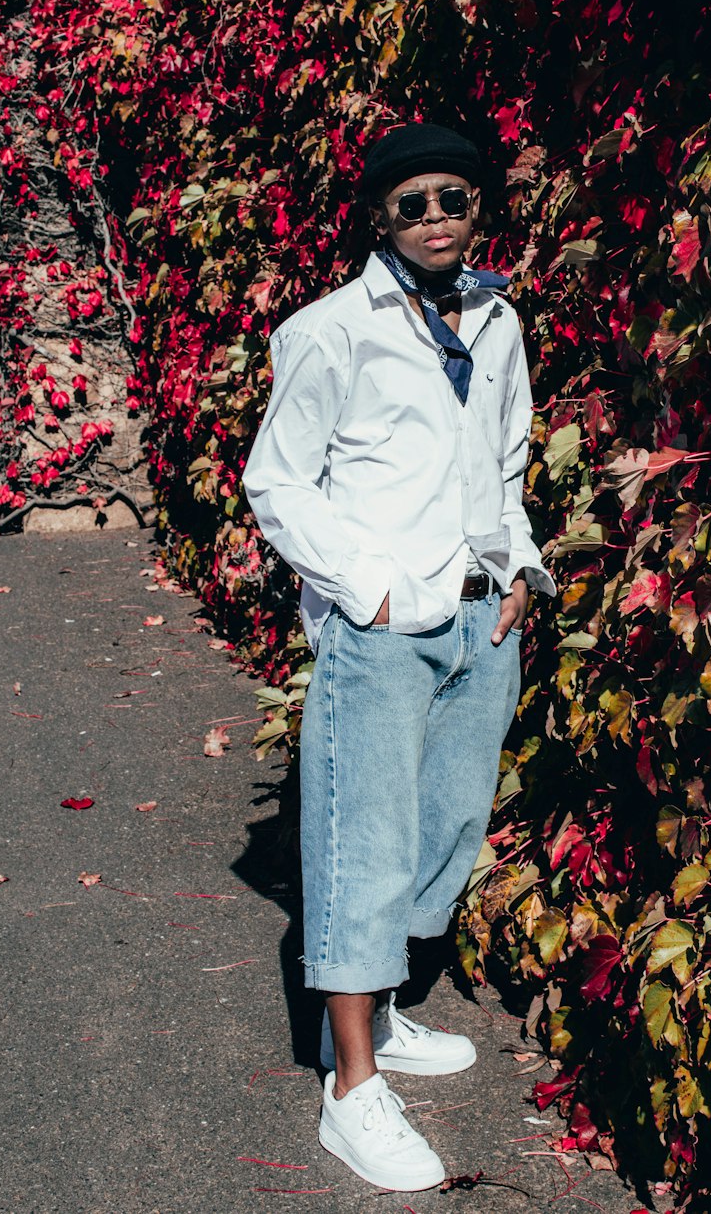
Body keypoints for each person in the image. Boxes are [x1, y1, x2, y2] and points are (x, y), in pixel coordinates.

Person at [242, 122, 556, 1192]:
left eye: (453, 199)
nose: (434, 217)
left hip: (481, 618)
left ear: (477, 210)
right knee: (362, 846)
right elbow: (277, 482)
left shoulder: (499, 320)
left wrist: (517, 569)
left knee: (445, 831)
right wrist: (367, 591)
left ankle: (372, 1019)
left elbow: (505, 461)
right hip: (386, 628)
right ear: (380, 214)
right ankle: (350, 1090)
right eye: (412, 201)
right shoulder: (328, 332)